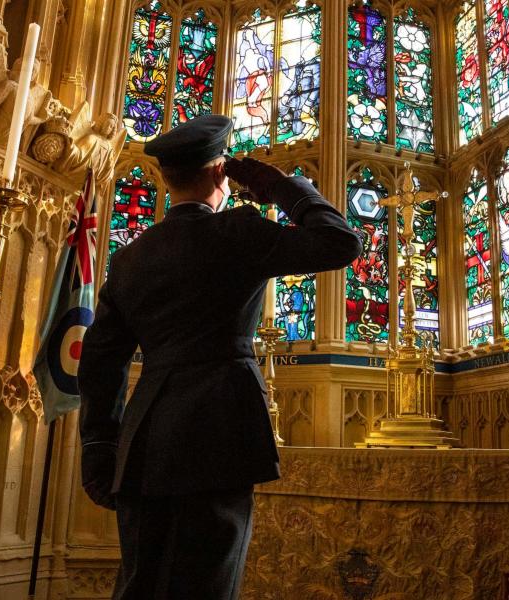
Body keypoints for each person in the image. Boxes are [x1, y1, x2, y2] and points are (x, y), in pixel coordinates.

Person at [77, 114, 361, 599]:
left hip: (146, 440)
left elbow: (101, 362)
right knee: (207, 584)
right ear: (219, 173)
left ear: (167, 179)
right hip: (222, 429)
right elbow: (340, 242)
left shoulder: (131, 256)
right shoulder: (239, 232)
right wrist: (280, 187)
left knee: (142, 583)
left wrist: (98, 448)